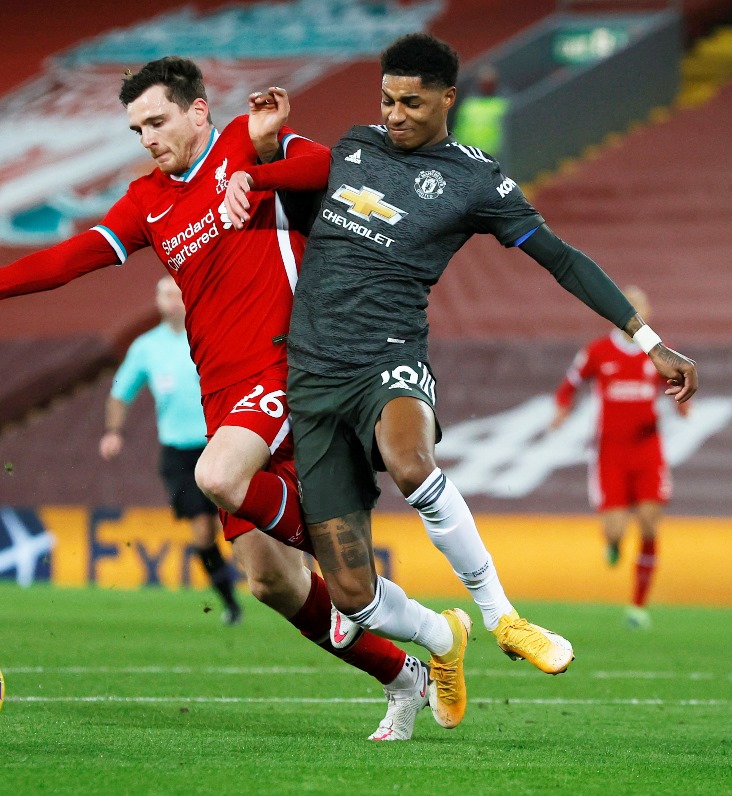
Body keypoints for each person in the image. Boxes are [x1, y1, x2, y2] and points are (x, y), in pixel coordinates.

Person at [0, 57, 433, 741]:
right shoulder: (146, 200)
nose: (147, 136)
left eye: (156, 121)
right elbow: (64, 261)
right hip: (225, 396)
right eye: (136, 128)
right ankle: (401, 675)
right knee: (270, 582)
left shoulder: (247, 138)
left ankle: (350, 556)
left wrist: (258, 168)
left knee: (218, 476)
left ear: (198, 112)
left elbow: (329, 171)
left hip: (288, 369)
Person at [222, 32, 698, 729]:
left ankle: (503, 617)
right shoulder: (352, 149)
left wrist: (649, 341)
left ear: (449, 98)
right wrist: (257, 158)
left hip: (388, 359)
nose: (395, 113)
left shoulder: (477, 180)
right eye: (387, 98)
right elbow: (283, 204)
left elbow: (562, 259)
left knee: (411, 459)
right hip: (313, 379)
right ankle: (445, 639)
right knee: (351, 593)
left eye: (411, 102)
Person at [100, 277, 243, 625]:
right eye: (165, 294)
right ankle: (231, 604)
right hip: (178, 454)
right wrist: (113, 432)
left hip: (221, 444)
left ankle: (282, 583)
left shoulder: (212, 332)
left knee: (243, 528)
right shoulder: (146, 347)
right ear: (158, 301)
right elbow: (121, 392)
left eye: (177, 294)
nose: (172, 301)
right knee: (202, 532)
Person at [551, 286, 689, 629]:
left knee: (648, 523)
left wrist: (684, 402)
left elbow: (678, 382)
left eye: (640, 307)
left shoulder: (658, 352)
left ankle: (638, 606)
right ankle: (613, 544)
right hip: (610, 452)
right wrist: (562, 408)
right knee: (615, 530)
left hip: (647, 449)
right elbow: (571, 380)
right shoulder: (598, 351)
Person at [452, 64, 508, 158]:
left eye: (490, 83)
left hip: (498, 155)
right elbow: (461, 129)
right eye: (484, 83)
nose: (487, 86)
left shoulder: (504, 103)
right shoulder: (469, 105)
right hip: (473, 155)